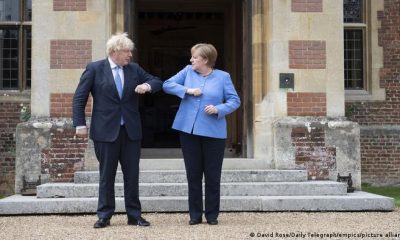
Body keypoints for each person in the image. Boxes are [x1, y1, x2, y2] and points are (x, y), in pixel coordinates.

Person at [72, 32, 162, 228]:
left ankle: (134, 215)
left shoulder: (134, 69)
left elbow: (157, 81)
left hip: (131, 132)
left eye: (130, 51)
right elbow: (80, 98)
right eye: (127, 51)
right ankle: (104, 215)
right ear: (115, 51)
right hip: (105, 132)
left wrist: (146, 86)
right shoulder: (95, 69)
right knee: (107, 175)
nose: (130, 55)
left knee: (132, 175)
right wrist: (79, 124)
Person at [162, 43, 240, 225]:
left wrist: (218, 108)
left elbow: (234, 100)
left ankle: (212, 215)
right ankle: (195, 215)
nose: (191, 60)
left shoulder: (223, 77)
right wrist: (187, 90)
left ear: (205, 59)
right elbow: (167, 85)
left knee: (213, 175)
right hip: (188, 131)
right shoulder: (187, 71)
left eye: (194, 57)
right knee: (193, 174)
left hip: (214, 133)